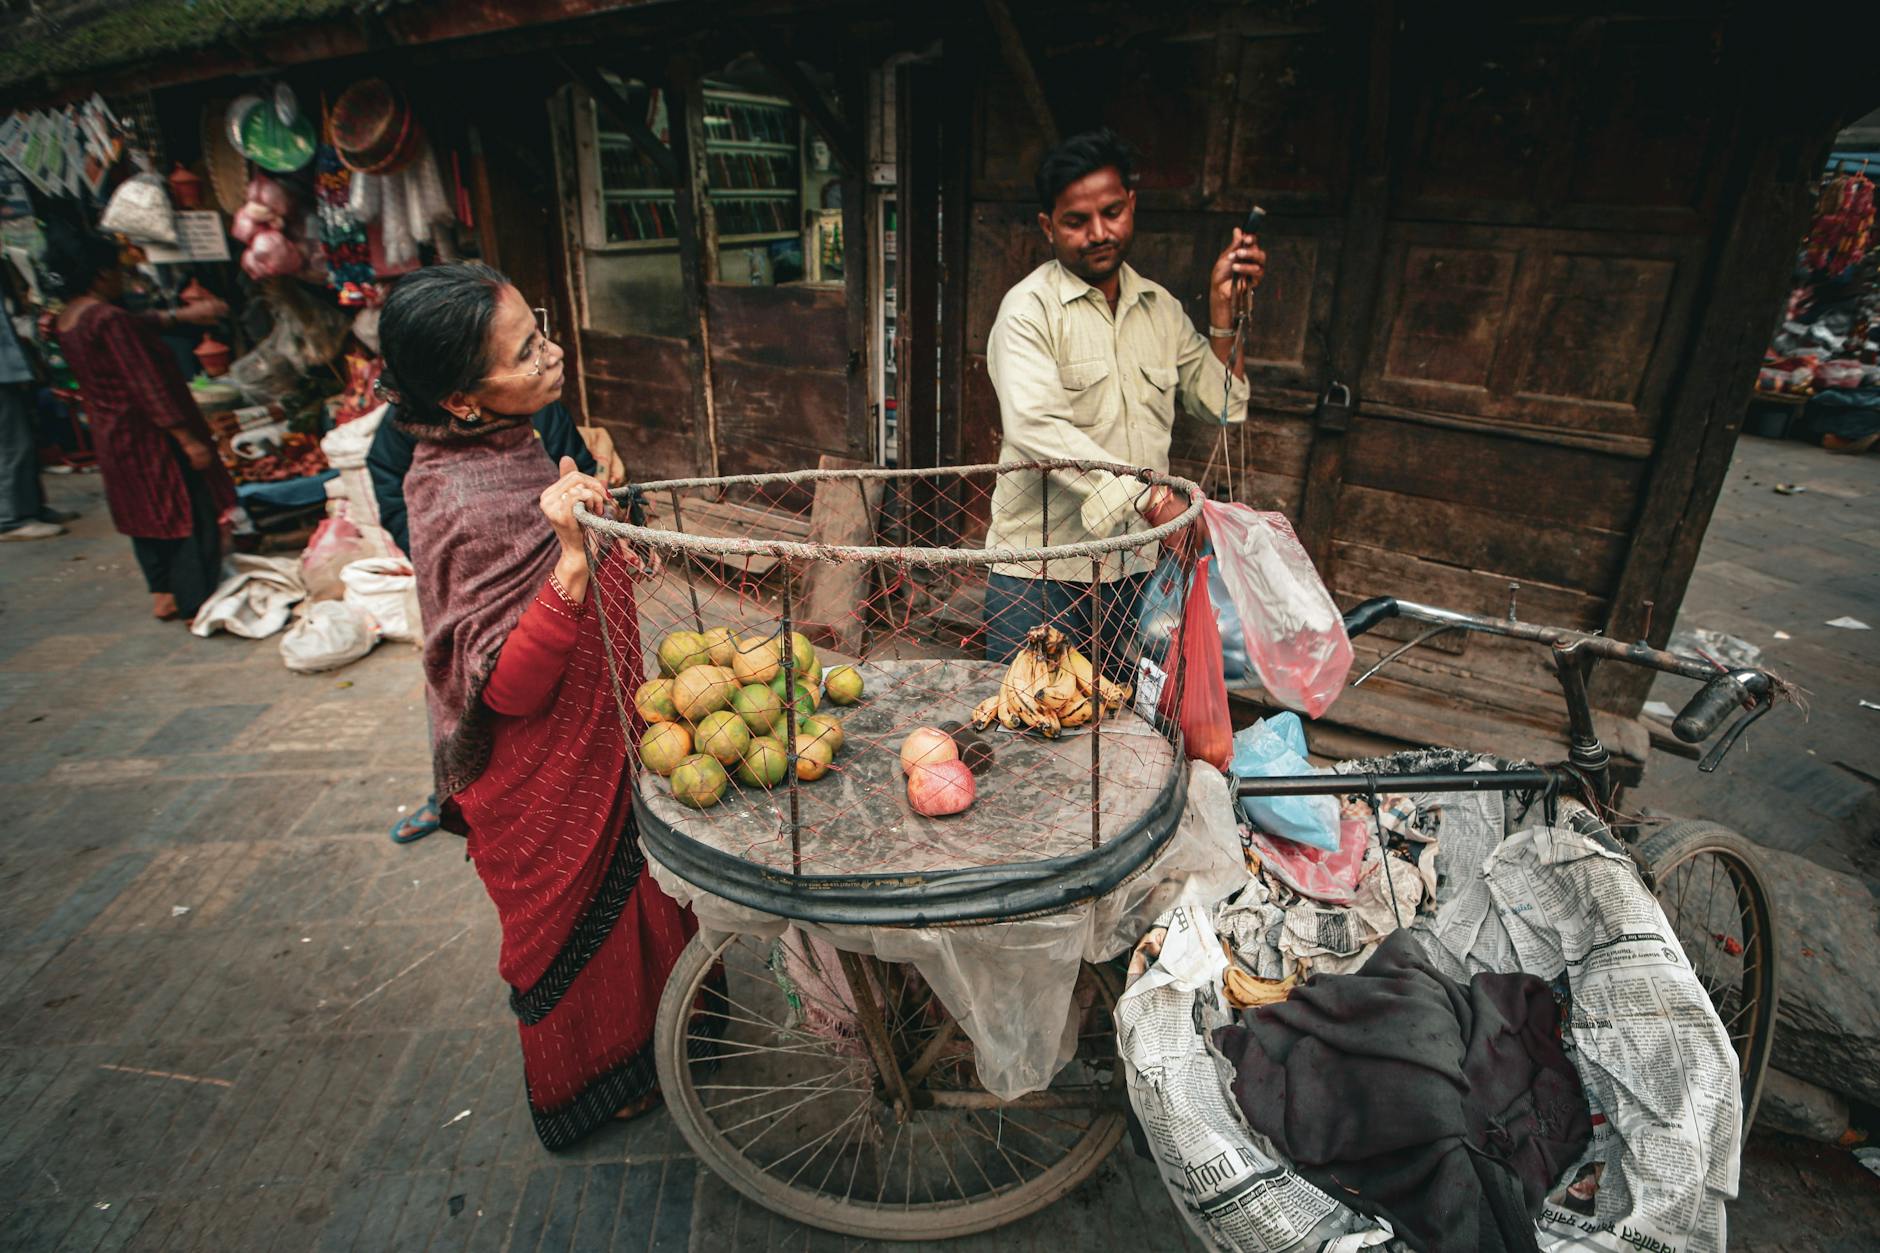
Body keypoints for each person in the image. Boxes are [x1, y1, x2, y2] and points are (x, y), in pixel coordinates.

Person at [378, 261, 693, 1147]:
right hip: (538, 769)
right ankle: (596, 1081)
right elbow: (506, 686)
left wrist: (604, 532)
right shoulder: (455, 495)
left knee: (643, 889)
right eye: (525, 352)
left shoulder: (513, 440)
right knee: (574, 934)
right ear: (462, 401)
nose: (552, 355)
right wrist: (573, 559)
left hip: (607, 727)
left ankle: (669, 1040)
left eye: (541, 330)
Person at [982, 128, 1265, 675]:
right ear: (1048, 227)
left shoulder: (1161, 309)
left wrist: (1223, 313)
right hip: (1042, 574)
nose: (1098, 233)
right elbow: (1035, 427)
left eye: (1111, 212)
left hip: (1135, 573)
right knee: (1033, 720)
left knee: (1119, 717)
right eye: (1076, 221)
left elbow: (1223, 405)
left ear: (1131, 204)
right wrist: (1154, 499)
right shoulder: (1028, 311)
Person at [367, 377, 600, 845]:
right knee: (460, 686)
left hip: (555, 586)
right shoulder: (413, 409)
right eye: (526, 350)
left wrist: (583, 530)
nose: (548, 357)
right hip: (463, 587)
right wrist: (443, 554)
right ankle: (453, 793)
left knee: (555, 709)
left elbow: (579, 468)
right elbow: (389, 484)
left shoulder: (538, 403)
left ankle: (563, 804)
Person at [40, 229, 232, 614]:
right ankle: (195, 600)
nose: (121, 277)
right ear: (100, 274)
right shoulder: (108, 318)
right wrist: (187, 439)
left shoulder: (69, 319)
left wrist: (178, 315)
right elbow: (148, 384)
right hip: (150, 436)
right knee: (184, 510)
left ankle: (163, 592)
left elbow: (136, 325)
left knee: (144, 513)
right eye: (116, 270)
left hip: (112, 432)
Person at [0, 268, 76, 541]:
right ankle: (10, 519)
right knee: (11, 445)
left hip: (9, 372)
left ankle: (30, 508)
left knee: (23, 442)